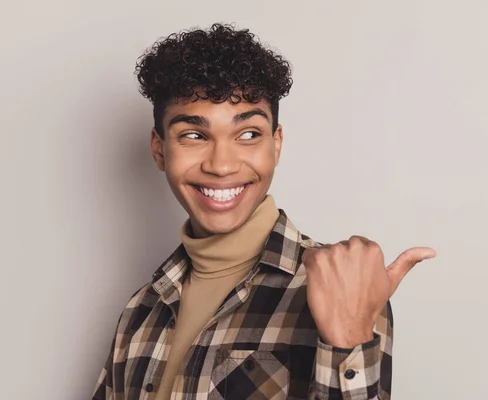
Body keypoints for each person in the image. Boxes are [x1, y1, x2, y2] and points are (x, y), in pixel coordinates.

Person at [93, 23, 436, 400]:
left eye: (248, 134)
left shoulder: (343, 286)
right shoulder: (141, 310)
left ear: (276, 145)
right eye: (193, 135)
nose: (222, 165)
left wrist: (350, 340)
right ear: (159, 150)